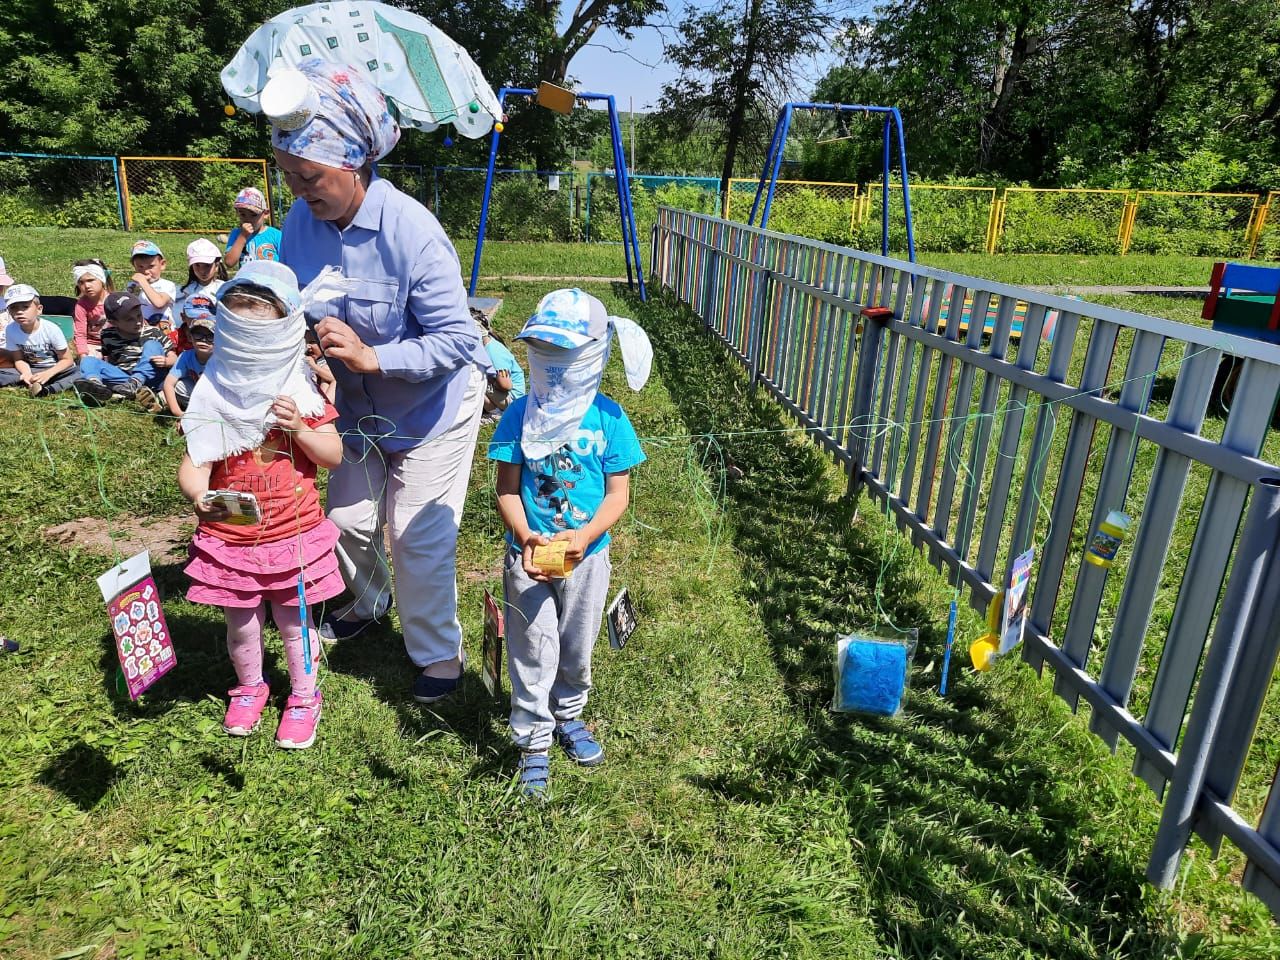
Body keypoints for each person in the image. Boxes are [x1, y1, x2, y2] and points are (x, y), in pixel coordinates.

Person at [268, 58, 491, 703]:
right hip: (352, 413)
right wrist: (308, 346)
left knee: (416, 533)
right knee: (343, 520)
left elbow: (460, 341)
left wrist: (374, 358)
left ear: (354, 161)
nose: (300, 191)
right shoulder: (298, 225)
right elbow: (293, 303)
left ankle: (436, 654)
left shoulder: (414, 233)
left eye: (309, 177)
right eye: (290, 177)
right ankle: (366, 606)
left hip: (430, 409)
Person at [487, 289, 652, 799]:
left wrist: (583, 537)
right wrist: (526, 535)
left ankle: (568, 715)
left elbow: (618, 494)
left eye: (565, 356)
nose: (553, 368)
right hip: (529, 559)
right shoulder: (519, 415)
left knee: (576, 647)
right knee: (532, 648)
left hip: (588, 560)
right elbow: (506, 489)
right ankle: (533, 741)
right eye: (545, 354)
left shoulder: (608, 419)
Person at [178, 260, 344, 749]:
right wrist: (198, 495)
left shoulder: (303, 394)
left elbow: (333, 455)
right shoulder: (214, 395)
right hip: (232, 540)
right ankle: (250, 687)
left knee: (295, 625)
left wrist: (299, 430)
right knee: (242, 627)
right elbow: (195, 463)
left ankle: (304, 696)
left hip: (293, 535)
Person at [79, 292, 172, 410]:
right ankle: (95, 387)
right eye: (130, 320)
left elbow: (174, 358)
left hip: (152, 377)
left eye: (139, 315)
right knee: (87, 360)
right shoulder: (108, 335)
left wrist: (166, 361)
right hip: (125, 380)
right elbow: (110, 359)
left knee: (152, 345)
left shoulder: (153, 332)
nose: (138, 322)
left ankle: (137, 384)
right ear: (113, 322)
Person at [3, 284, 84, 397]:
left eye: (25, 307)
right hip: (32, 369)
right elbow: (18, 359)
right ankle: (30, 381)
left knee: (81, 372)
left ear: (39, 309)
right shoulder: (11, 330)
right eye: (13, 308)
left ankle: (47, 390)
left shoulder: (51, 329)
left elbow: (67, 360)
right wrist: (26, 373)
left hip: (56, 370)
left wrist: (48, 374)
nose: (19, 312)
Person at [163, 300, 215, 416]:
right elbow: (168, 383)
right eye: (198, 335)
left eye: (210, 336)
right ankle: (192, 411)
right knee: (179, 386)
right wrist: (178, 413)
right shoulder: (186, 355)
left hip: (219, 397)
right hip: (198, 393)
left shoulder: (220, 359)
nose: (203, 340)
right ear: (190, 337)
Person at [175, 239, 227, 339]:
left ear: (216, 266)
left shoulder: (223, 288)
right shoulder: (186, 291)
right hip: (195, 335)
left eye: (207, 265)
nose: (202, 270)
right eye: (197, 265)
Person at [127, 240, 178, 332]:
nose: (146, 271)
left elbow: (159, 303)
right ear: (134, 266)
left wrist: (143, 282)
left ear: (162, 265)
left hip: (164, 333)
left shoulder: (167, 285)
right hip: (141, 331)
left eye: (151, 266)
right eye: (140, 267)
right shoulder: (133, 285)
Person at [224, 188, 281, 268]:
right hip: (247, 280)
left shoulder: (276, 235)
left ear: (265, 214)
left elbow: (287, 261)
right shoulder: (237, 234)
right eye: (243, 214)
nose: (248, 219)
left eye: (253, 215)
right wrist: (243, 237)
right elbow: (229, 262)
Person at [481, 327, 525, 425]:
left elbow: (506, 385)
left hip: (513, 399)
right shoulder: (489, 346)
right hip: (505, 396)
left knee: (475, 381)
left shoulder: (493, 353)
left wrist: (490, 381)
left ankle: (496, 414)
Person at [72, 259, 113, 360]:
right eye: (81, 282)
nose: (87, 286)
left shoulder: (114, 300)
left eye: (91, 280)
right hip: (92, 344)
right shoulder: (81, 305)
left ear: (101, 279)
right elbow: (80, 333)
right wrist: (83, 355)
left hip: (114, 342)